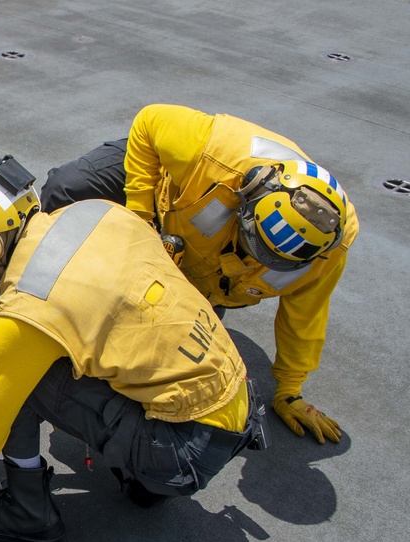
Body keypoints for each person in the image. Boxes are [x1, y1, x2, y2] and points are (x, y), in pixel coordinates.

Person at [0, 162, 266, 542]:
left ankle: (27, 513)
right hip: (234, 400)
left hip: (180, 452)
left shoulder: (26, 310)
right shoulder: (100, 212)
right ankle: (145, 481)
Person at [40, 104, 358, 444]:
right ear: (247, 200)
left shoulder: (327, 253)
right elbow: (149, 121)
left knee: (170, 340)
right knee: (66, 187)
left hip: (205, 276)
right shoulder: (215, 151)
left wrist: (290, 390)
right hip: (162, 178)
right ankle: (41, 304)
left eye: (271, 260)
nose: (258, 260)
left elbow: (305, 320)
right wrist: (140, 221)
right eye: (255, 245)